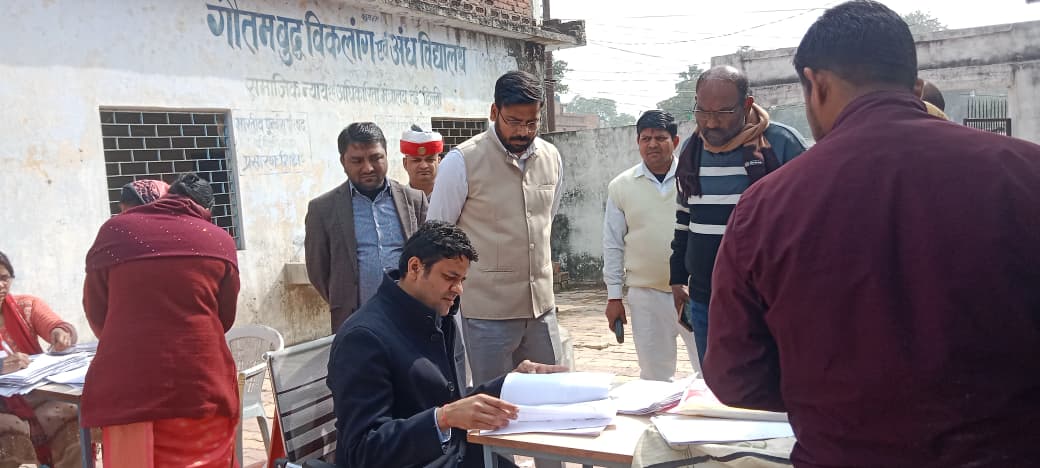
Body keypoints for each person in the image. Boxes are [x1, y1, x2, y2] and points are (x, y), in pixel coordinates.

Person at [703, 1, 1040, 466]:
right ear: (915, 87)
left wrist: (831, 391)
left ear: (816, 84)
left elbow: (734, 375)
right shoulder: (1026, 174)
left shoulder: (765, 206)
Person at [328, 221, 565, 468]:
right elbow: (363, 450)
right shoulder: (363, 338)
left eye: (462, 279)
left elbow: (451, 402)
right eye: (450, 277)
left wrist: (510, 384)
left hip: (458, 457)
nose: (458, 289)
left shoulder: (438, 315)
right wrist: (442, 419)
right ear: (415, 268)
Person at [83, 173, 241, 468]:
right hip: (201, 383)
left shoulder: (115, 232)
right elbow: (224, 317)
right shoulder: (218, 239)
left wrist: (129, 341)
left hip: (128, 387)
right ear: (205, 210)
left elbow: (96, 310)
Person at [428, 71, 565, 385]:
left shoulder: (552, 158)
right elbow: (438, 236)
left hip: (541, 310)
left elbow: (546, 220)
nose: (523, 131)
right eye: (513, 121)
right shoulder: (461, 162)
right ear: (494, 112)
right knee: (493, 403)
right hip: (486, 315)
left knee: (549, 397)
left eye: (531, 123)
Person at [668, 65, 808, 366]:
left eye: (723, 112)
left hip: (765, 301)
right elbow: (684, 218)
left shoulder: (780, 144)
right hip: (706, 298)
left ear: (746, 105)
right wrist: (677, 277)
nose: (711, 122)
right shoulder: (693, 149)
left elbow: (809, 223)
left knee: (769, 383)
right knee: (715, 384)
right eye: (702, 111)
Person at [602, 110, 699, 381]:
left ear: (675, 141)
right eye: (645, 138)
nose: (652, 144)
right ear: (638, 142)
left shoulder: (693, 178)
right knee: (655, 377)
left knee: (710, 371)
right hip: (646, 296)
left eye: (660, 138)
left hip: (694, 293)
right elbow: (612, 244)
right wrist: (614, 297)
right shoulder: (621, 186)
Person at [306, 122, 428, 332]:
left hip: (411, 317)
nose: (368, 168)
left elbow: (429, 258)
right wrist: (345, 298)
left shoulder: (415, 201)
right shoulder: (323, 210)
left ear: (386, 155)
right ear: (343, 161)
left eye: (375, 158)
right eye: (357, 160)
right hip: (356, 322)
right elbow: (319, 272)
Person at [0, 251, 80, 468]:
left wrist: (61, 334)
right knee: (11, 431)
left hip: (34, 393)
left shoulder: (26, 306)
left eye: (4, 278)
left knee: (70, 414)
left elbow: (57, 325)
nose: (0, 285)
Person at [401, 125, 444, 197]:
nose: (424, 166)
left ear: (439, 162)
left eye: (430, 160)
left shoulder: (452, 196)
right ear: (405, 163)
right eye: (416, 160)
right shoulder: (397, 199)